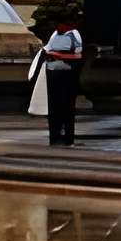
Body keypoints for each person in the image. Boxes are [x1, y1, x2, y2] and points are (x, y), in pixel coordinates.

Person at [40, 15, 85, 147]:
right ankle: (54, 137)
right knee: (54, 108)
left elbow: (77, 55)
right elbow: (47, 49)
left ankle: (67, 138)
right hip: (53, 73)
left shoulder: (74, 35)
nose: (58, 27)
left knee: (67, 107)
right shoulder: (55, 34)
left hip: (67, 75)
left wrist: (58, 55)